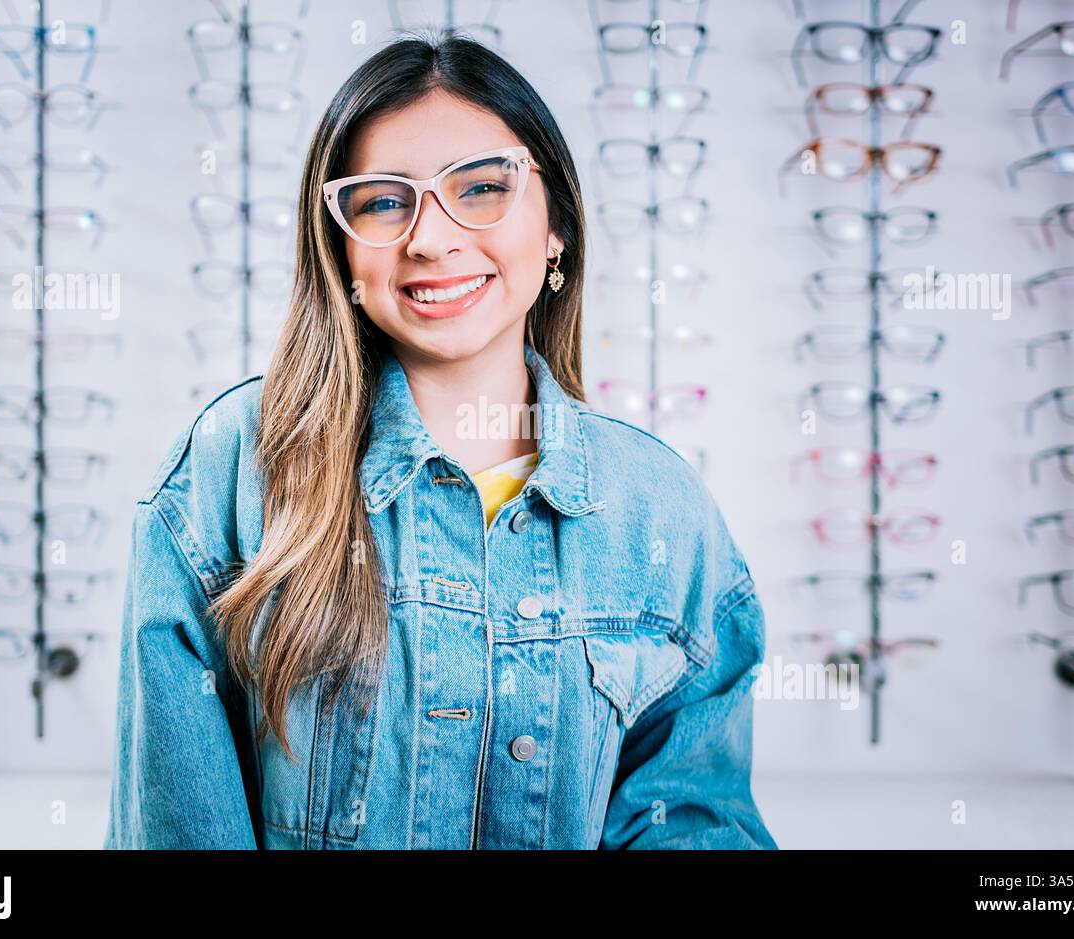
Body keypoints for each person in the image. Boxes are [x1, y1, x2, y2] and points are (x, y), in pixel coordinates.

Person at [105, 31, 776, 850]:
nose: (430, 237)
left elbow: (693, 824)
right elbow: (177, 825)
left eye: (483, 187)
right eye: (385, 201)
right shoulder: (230, 471)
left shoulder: (662, 511)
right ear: (341, 246)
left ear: (556, 225)